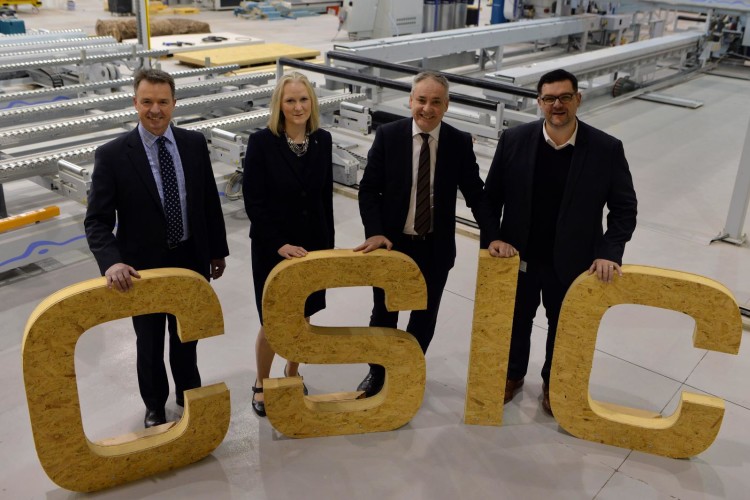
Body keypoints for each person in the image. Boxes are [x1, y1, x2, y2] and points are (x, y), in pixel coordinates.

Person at [482, 69, 637, 416]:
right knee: (516, 320)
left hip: (573, 261)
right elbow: (490, 198)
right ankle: (511, 374)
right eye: (549, 98)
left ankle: (555, 383)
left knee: (563, 325)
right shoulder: (514, 140)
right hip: (519, 257)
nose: (557, 105)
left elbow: (624, 209)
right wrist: (494, 238)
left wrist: (609, 254)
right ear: (539, 102)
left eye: (565, 97)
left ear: (578, 99)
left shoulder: (605, 149)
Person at [84, 68, 229, 428]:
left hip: (189, 259)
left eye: (163, 102)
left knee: (186, 335)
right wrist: (112, 262)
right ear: (135, 103)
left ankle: (186, 392)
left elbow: (209, 201)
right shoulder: (113, 155)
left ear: (174, 104)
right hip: (141, 268)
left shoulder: (194, 144)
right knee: (149, 343)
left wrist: (217, 250)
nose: (155, 110)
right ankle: (154, 405)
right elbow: (97, 220)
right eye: (147, 101)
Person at [354, 71, 494, 397]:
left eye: (435, 102)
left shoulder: (458, 142)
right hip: (393, 244)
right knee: (385, 313)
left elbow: (475, 193)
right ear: (410, 101)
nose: (427, 109)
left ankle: (407, 372)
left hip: (435, 247)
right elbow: (368, 190)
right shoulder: (389, 136)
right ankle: (377, 372)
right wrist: (374, 233)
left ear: (446, 105)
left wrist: (494, 234)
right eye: (421, 100)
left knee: (425, 315)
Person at [242, 72, 335, 417]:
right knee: (274, 322)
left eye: (304, 99)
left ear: (312, 103)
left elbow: (325, 198)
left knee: (305, 318)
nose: (298, 107)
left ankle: (292, 373)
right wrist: (279, 243)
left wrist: (327, 249)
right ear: (279, 105)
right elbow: (254, 202)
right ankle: (262, 382)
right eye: (291, 100)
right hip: (273, 248)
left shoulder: (322, 140)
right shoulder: (262, 143)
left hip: (313, 247)